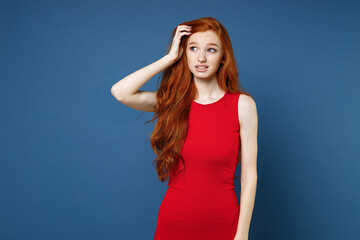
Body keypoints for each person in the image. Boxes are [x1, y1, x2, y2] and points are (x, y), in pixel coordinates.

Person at [111, 17, 258, 240]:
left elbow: (249, 176)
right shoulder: (170, 103)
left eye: (211, 49)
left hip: (224, 223)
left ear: (222, 57)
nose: (201, 57)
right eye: (193, 48)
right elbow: (121, 92)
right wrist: (169, 58)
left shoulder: (243, 105)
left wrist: (242, 234)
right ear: (184, 53)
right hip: (175, 223)